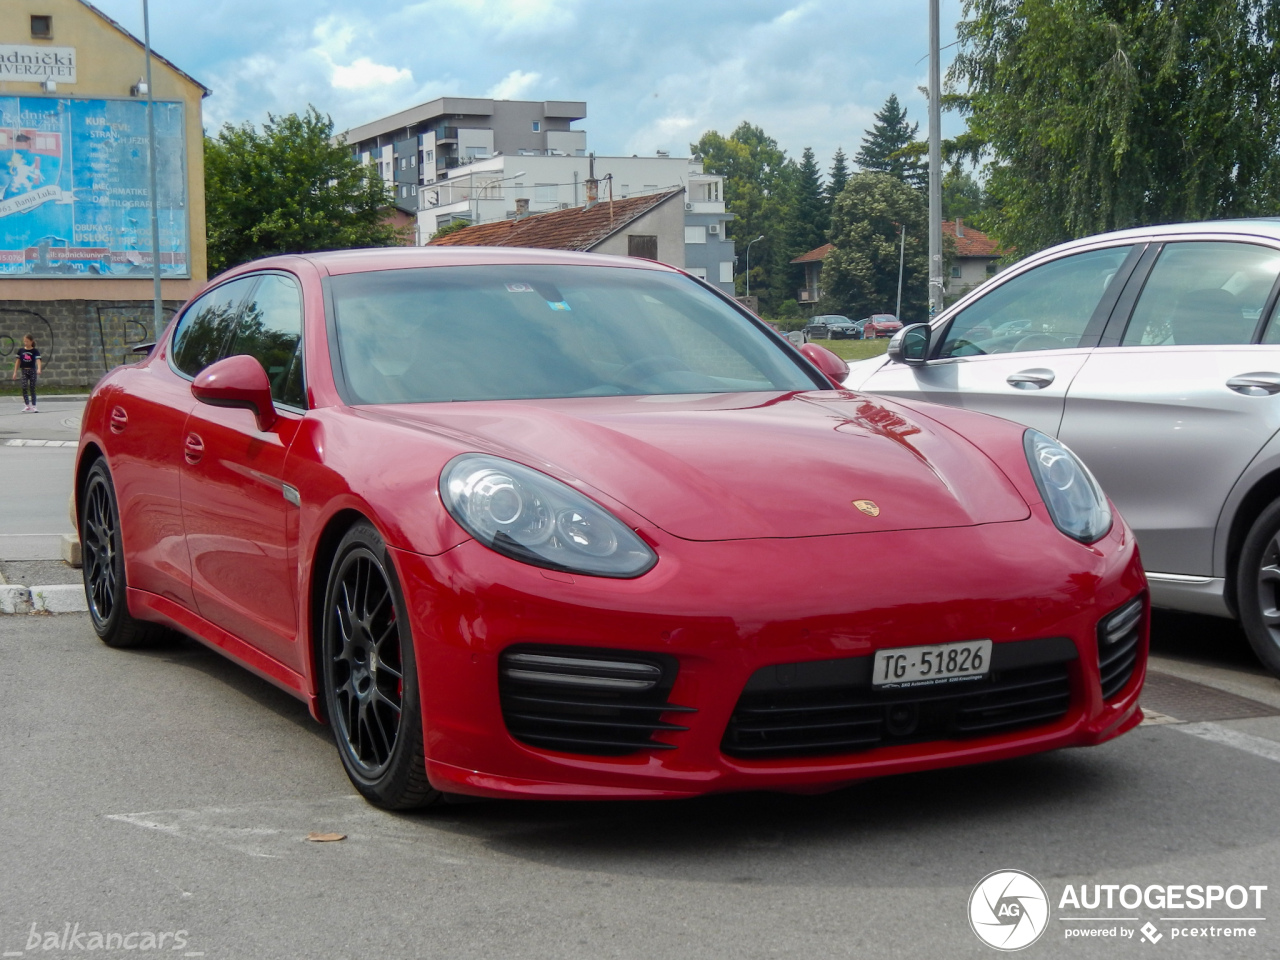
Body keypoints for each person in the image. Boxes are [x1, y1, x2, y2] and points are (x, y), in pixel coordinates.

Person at [11, 335, 42, 411]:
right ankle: (27, 405)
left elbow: (38, 361)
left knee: (32, 388)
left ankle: (34, 405)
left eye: (27, 341)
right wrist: (15, 372)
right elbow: (17, 362)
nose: (25, 343)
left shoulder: (35, 351)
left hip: (32, 371)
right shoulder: (21, 350)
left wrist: (39, 369)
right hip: (24, 371)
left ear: (31, 341)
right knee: (24, 387)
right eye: (24, 341)